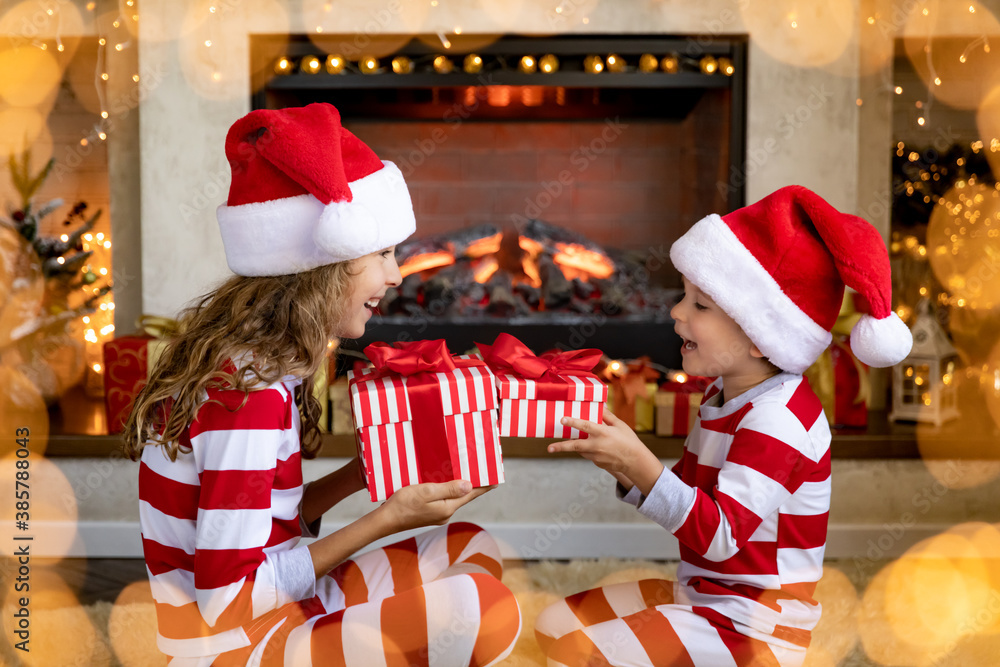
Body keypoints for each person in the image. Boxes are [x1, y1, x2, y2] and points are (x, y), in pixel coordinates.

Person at [123, 103, 521, 667]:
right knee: (483, 608)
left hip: (275, 617)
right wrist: (388, 519)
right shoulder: (249, 398)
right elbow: (225, 602)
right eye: (382, 253)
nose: (396, 274)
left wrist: (363, 475)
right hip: (231, 649)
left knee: (469, 543)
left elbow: (270, 524)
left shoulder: (261, 366)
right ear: (323, 266)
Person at [537, 186, 912, 666]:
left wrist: (641, 463)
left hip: (753, 629)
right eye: (684, 297)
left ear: (759, 337)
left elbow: (718, 537)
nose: (676, 312)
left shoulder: (780, 419)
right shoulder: (723, 396)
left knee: (579, 654)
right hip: (701, 596)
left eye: (700, 305)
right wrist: (622, 465)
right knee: (554, 627)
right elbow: (690, 501)